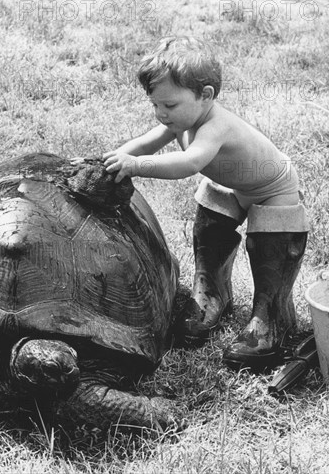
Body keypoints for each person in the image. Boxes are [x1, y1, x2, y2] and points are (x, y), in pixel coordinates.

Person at [102, 36, 310, 370]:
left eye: (169, 106)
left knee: (272, 242)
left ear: (206, 95)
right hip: (234, 184)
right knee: (211, 222)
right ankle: (212, 293)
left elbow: (189, 164)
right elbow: (145, 144)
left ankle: (270, 316)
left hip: (273, 189)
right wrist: (117, 158)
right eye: (155, 105)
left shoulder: (216, 125)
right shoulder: (182, 119)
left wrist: (136, 167)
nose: (161, 114)